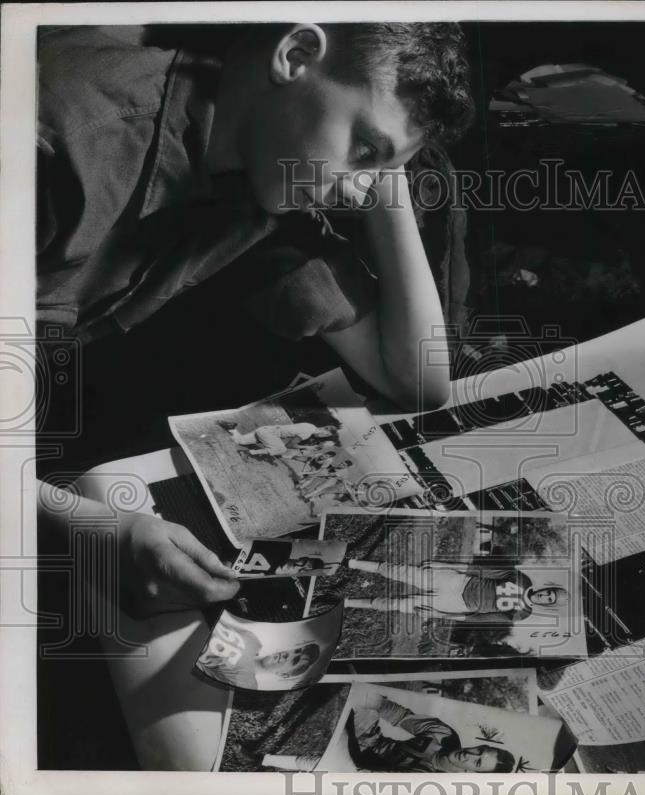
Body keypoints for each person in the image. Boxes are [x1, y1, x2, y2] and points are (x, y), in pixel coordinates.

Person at [36, 23, 474, 618]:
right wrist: (75, 522)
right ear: (294, 55)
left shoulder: (261, 184)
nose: (361, 190)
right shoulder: (58, 148)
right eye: (364, 147)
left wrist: (382, 173)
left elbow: (416, 378)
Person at [343, 558, 569, 623]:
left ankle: (346, 603)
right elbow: (478, 570)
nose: (545, 596)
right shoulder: (521, 579)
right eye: (550, 592)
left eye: (550, 600)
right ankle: (352, 562)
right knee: (402, 571)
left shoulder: (522, 614)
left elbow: (479, 619)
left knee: (398, 605)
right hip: (458, 583)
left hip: (457, 605)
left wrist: (440, 614)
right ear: (547, 588)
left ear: (547, 605)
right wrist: (444, 565)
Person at [348, 693, 516, 773]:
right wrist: (369, 699)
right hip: (370, 741)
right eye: (479, 750)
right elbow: (400, 716)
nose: (468, 755)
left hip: (363, 772)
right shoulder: (446, 735)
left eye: (477, 763)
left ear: (476, 773)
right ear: (481, 744)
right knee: (365, 704)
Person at [197, 616, 322, 690]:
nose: (287, 654)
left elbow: (199, 675)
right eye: (296, 650)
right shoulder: (253, 640)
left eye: (294, 660)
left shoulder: (246, 683)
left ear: (284, 675)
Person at [223, 421, 340, 457]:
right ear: (325, 430)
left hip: (266, 430)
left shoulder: (310, 425)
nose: (323, 437)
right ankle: (248, 453)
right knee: (281, 449)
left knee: (240, 441)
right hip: (268, 433)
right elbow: (290, 445)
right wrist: (307, 447)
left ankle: (231, 428)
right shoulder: (309, 432)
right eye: (326, 435)